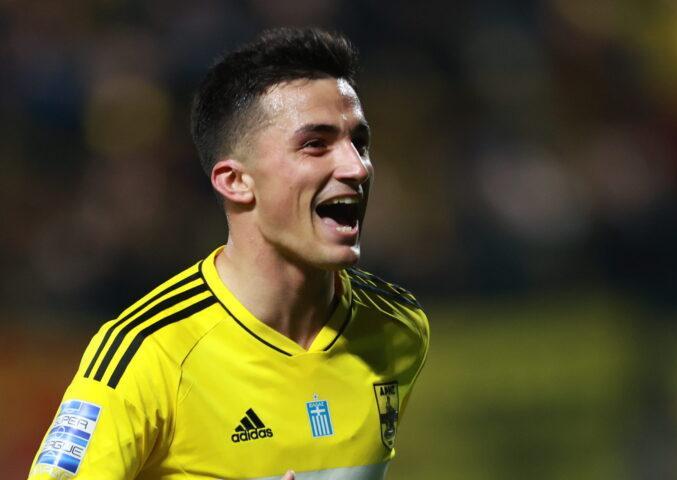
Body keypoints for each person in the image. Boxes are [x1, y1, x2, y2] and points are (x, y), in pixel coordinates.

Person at [28, 27, 429, 480]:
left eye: (359, 142)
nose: (356, 167)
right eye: (315, 144)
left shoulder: (398, 327)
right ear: (235, 181)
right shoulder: (148, 352)